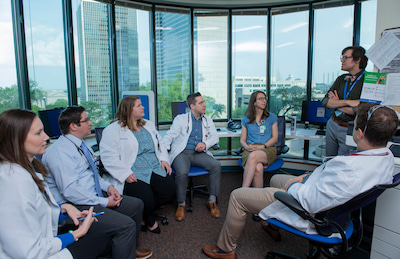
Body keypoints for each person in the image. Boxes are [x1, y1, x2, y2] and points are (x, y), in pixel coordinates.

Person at [202, 103, 398, 259]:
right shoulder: (385, 157)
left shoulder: (349, 169)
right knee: (277, 178)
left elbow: (312, 201)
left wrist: (294, 185)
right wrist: (305, 177)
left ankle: (225, 250)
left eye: (354, 125)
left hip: (315, 213)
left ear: (360, 133)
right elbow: (332, 183)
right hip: (329, 202)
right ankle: (270, 224)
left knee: (237, 196)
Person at [42, 106, 152, 259]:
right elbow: (71, 192)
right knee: (126, 225)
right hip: (76, 205)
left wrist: (110, 187)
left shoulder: (82, 145)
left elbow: (93, 174)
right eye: (85, 120)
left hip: (92, 195)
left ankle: (130, 248)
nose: (90, 123)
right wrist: (105, 202)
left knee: (136, 205)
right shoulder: (59, 152)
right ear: (73, 126)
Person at [0, 109, 110, 259]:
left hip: (41, 244)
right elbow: (30, 252)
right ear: (16, 139)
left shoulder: (25, 170)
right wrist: (78, 233)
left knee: (100, 239)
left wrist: (62, 209)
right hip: (36, 254)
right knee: (100, 241)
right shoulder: (14, 181)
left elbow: (31, 211)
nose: (46, 137)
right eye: (38, 133)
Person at [100, 96, 176, 234]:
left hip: (153, 165)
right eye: (139, 105)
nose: (143, 107)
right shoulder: (113, 130)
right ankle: (149, 220)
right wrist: (125, 173)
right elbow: (108, 157)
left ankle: (142, 212)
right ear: (129, 109)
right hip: (133, 169)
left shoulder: (148, 124)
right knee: (146, 197)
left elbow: (161, 143)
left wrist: (164, 159)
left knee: (169, 191)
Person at [161, 92, 221, 221]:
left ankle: (212, 200)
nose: (204, 105)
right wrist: (163, 155)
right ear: (192, 106)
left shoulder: (207, 120)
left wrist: (205, 143)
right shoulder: (181, 119)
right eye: (201, 103)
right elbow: (169, 136)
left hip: (199, 154)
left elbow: (215, 137)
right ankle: (181, 204)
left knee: (216, 165)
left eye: (204, 102)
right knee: (182, 173)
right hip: (182, 153)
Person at [322, 46, 368, 157]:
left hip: (350, 129)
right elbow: (325, 102)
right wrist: (349, 102)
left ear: (357, 60)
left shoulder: (368, 81)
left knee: (342, 164)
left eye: (345, 57)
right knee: (329, 160)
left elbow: (360, 110)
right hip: (332, 124)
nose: (342, 60)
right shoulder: (341, 79)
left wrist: (337, 103)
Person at [240, 90, 278, 189]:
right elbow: (242, 140)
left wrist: (262, 146)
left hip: (267, 148)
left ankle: (243, 191)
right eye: (260, 99)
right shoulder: (245, 120)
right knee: (258, 168)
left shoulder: (272, 118)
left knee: (253, 157)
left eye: (265, 99)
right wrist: (247, 147)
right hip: (250, 149)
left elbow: (275, 138)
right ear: (254, 102)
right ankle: (258, 199)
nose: (264, 101)